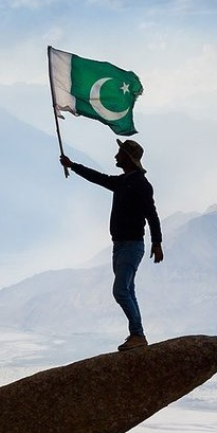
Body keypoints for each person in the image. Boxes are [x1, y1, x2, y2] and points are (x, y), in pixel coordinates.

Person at [60, 139, 163, 351]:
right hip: (120, 246)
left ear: (128, 158)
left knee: (120, 291)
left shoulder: (141, 185)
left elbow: (151, 214)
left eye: (120, 153)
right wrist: (73, 166)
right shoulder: (125, 181)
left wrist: (157, 241)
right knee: (128, 290)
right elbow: (99, 178)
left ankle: (138, 334)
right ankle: (137, 335)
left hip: (132, 246)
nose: (116, 156)